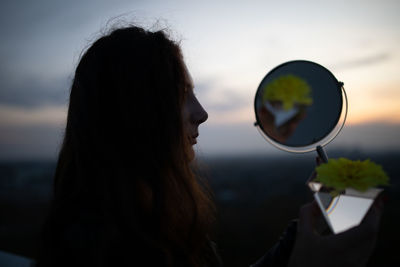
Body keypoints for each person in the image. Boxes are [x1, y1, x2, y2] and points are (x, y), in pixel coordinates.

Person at [37, 25, 383, 267]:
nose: (201, 113)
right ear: (133, 112)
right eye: (181, 95)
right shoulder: (100, 251)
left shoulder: (141, 224)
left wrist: (303, 235)